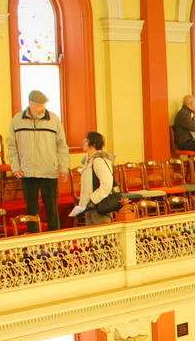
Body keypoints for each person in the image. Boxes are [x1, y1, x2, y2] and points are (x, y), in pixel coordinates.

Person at [8, 89, 68, 233]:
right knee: (31, 207)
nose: (41, 109)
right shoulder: (17, 120)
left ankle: (55, 233)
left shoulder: (54, 119)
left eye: (43, 106)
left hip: (49, 170)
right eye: (38, 106)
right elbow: (12, 146)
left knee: (51, 205)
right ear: (30, 104)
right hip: (27, 171)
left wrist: (63, 167)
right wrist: (15, 167)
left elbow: (62, 145)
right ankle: (33, 234)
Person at [69, 131, 116, 226]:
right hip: (89, 206)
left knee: (102, 236)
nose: (83, 142)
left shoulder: (99, 161)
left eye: (86, 140)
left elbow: (107, 184)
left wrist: (93, 199)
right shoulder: (89, 160)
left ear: (93, 144)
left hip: (98, 205)